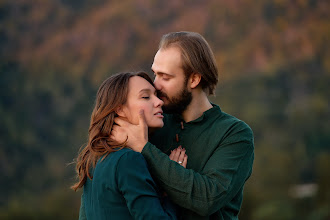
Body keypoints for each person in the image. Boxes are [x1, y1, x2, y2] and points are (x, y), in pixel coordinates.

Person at [111, 32, 254, 219]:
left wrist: (144, 149)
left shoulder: (234, 134)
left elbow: (207, 199)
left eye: (165, 77)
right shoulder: (152, 122)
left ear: (194, 80)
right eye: (155, 74)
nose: (155, 85)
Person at [71, 72, 180, 220]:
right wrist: (171, 188)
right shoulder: (128, 159)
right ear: (120, 109)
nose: (159, 102)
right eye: (146, 97)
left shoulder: (94, 159)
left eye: (156, 95)